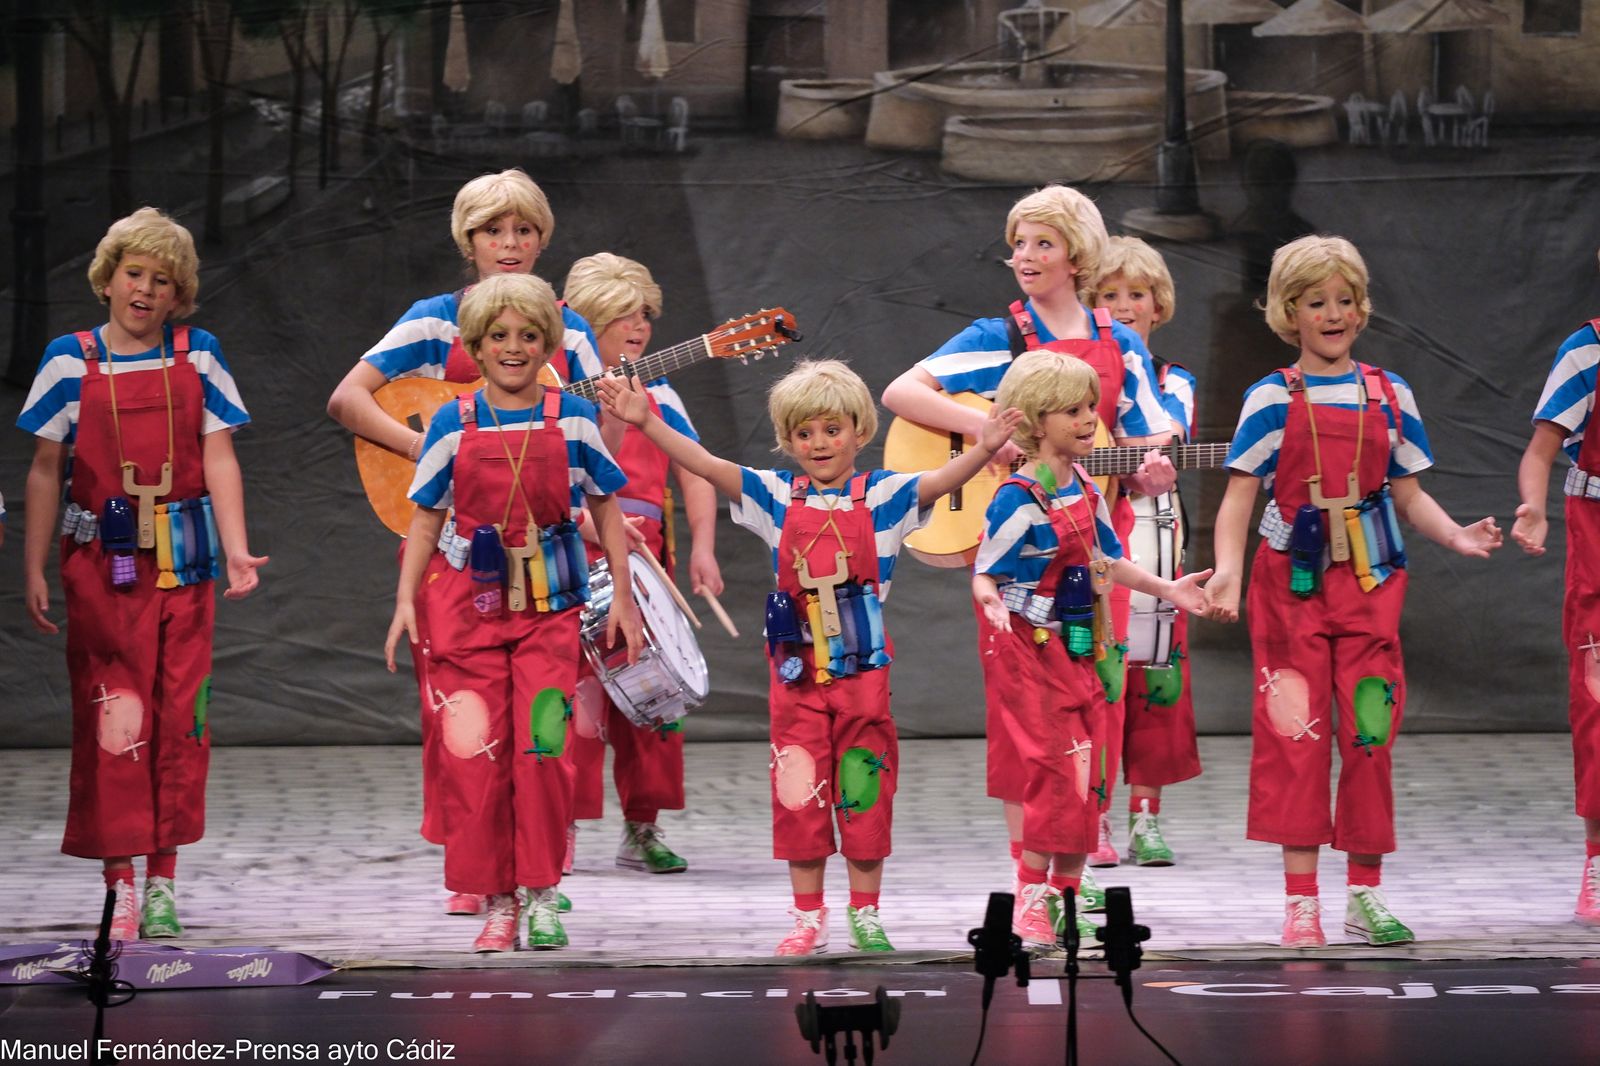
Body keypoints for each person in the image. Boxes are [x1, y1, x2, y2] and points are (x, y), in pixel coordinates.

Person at [597, 359, 1022, 955]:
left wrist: (984, 446)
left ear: (859, 430)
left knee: (863, 786)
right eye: (804, 433)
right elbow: (707, 465)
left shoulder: (887, 495)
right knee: (799, 789)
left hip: (862, 674)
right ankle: (806, 916)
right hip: (796, 675)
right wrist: (646, 423)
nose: (819, 443)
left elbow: (942, 481)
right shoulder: (774, 495)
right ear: (788, 439)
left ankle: (865, 913)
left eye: (832, 429)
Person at [880, 184, 1176, 902]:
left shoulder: (1118, 342)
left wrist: (1151, 461)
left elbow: (1151, 427)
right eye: (1018, 243)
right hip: (1018, 552)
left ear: (1076, 253)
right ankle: (1030, 875)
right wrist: (991, 439)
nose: (1024, 256)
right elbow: (900, 393)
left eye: (1041, 243)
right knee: (1024, 719)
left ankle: (1080, 839)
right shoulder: (998, 338)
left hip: (1097, 541)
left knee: (1099, 694)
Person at [1206, 235, 1501, 948]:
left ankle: (1364, 893)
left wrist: (1456, 535)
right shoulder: (1271, 398)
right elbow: (1239, 500)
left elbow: (1409, 492)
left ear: (1361, 308)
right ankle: (1301, 901)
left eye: (1344, 301)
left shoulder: (1389, 394)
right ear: (1289, 313)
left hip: (1371, 583)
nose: (1332, 314)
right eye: (1316, 303)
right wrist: (1228, 573)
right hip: (1292, 587)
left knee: (1370, 733)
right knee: (1295, 736)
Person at [328, 168, 601, 918]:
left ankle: (544, 865)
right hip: (453, 548)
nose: (509, 245)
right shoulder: (433, 319)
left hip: (544, 551)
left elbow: (589, 434)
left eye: (523, 230)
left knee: (545, 716)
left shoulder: (570, 330)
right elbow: (347, 398)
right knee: (460, 717)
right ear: (468, 240)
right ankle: (475, 862)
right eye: (493, 230)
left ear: (543, 239)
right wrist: (430, 452)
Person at [18, 207, 267, 942]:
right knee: (114, 717)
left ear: (179, 293)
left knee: (179, 717)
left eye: (163, 281)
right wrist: (32, 565)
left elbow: (220, 454)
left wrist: (237, 547)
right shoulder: (70, 360)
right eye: (135, 274)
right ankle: (119, 881)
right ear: (108, 277)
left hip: (183, 562)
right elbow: (44, 471)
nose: (146, 291)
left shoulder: (199, 354)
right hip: (102, 568)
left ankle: (163, 878)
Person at [384, 273, 642, 953]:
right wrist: (405, 602)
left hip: (548, 609)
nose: (513, 347)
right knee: (474, 756)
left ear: (548, 344)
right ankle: (496, 898)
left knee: (545, 747)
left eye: (529, 335)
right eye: (499, 336)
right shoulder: (452, 421)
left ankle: (544, 891)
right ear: (476, 344)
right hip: (467, 606)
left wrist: (627, 599)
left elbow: (608, 508)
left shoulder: (573, 418)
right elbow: (425, 516)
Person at [972, 349, 1210, 948]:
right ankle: (1030, 896)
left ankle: (1066, 896)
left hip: (1081, 649)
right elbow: (985, 571)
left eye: (1088, 408)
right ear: (1035, 421)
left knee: (1085, 771)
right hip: (1031, 652)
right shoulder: (1016, 497)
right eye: (1072, 410)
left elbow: (1108, 558)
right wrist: (992, 600)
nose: (1088, 420)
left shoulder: (1083, 484)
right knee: (1053, 768)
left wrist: (1167, 589)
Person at [561, 252, 723, 874]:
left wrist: (704, 546)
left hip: (644, 559)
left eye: (645, 315)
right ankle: (563, 827)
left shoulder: (658, 391)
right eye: (622, 316)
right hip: (572, 554)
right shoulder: (553, 393)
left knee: (654, 693)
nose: (638, 328)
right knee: (575, 698)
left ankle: (642, 828)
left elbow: (696, 468)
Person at [1089, 237, 1202, 866]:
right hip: (1095, 535)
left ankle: (1146, 816)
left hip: (1155, 534)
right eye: (1110, 295)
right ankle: (1097, 816)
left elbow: (1168, 434)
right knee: (1100, 675)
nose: (1125, 305)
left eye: (1137, 294)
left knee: (1155, 678)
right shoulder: (1077, 383)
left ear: (1159, 305)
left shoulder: (1171, 378)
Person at [1511, 265, 1600, 924]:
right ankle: (1598, 861)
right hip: (1598, 546)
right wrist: (1534, 509)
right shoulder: (1587, 351)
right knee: (1598, 704)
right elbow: (1543, 448)